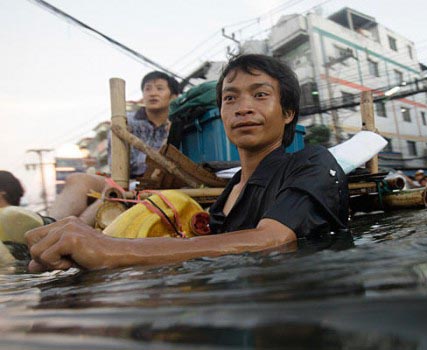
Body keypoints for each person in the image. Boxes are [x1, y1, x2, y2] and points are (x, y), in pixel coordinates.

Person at [26, 54, 349, 272]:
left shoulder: (313, 162)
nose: (243, 107)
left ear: (289, 112)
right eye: (230, 98)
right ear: (221, 113)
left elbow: (272, 239)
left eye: (260, 95)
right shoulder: (227, 197)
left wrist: (109, 248)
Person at [48, 71, 179, 225]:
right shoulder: (125, 122)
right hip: (124, 178)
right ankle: (47, 224)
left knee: (113, 192)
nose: (152, 93)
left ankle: (71, 230)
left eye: (159, 88)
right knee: (78, 179)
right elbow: (115, 164)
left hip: (159, 185)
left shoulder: (179, 123)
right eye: (148, 89)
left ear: (173, 96)